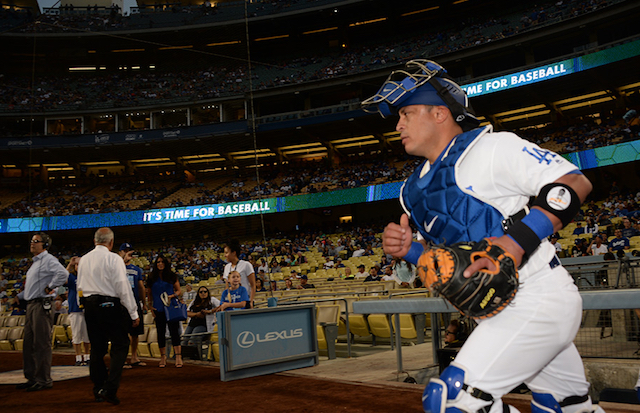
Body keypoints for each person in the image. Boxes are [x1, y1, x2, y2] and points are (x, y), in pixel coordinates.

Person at [364, 59, 602, 413]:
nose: (398, 124)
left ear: (441, 113)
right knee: (565, 407)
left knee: (451, 401)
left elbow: (574, 183)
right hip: (494, 312)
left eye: (408, 113)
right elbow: (448, 258)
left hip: (537, 299)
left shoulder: (492, 149)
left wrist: (516, 242)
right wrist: (410, 251)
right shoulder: (410, 191)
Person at [77, 228, 139, 405]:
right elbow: (122, 286)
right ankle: (110, 389)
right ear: (111, 243)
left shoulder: (84, 260)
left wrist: (84, 308)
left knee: (97, 348)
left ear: (94, 240)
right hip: (109, 305)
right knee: (120, 345)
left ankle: (98, 389)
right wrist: (133, 312)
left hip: (89, 305)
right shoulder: (114, 258)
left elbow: (79, 286)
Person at [16, 232, 68, 392]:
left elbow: (63, 274)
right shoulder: (36, 263)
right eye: (32, 241)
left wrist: (50, 287)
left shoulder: (48, 260)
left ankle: (44, 379)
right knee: (29, 343)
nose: (32, 243)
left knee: (41, 343)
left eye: (36, 241)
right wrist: (21, 296)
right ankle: (32, 378)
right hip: (31, 304)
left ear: (45, 245)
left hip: (41, 304)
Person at [147, 255, 183, 368]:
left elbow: (179, 290)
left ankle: (178, 356)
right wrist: (150, 306)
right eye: (158, 262)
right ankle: (163, 357)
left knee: (174, 332)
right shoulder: (151, 277)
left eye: (162, 262)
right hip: (158, 308)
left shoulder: (172, 276)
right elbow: (149, 294)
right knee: (160, 333)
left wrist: (172, 296)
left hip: (171, 307)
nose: (160, 264)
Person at [117, 243, 147, 368]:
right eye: (125, 251)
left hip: (134, 302)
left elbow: (140, 287)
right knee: (122, 332)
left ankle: (134, 356)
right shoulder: (117, 267)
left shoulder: (136, 269)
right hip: (120, 304)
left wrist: (144, 303)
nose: (127, 253)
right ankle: (122, 358)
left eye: (129, 251)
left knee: (135, 332)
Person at [181, 286, 219, 359]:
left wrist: (209, 311)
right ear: (198, 293)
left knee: (192, 341)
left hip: (203, 325)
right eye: (201, 292)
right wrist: (196, 314)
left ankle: (194, 358)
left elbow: (221, 306)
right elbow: (187, 313)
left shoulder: (212, 300)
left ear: (208, 292)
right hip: (192, 323)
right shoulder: (194, 301)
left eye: (205, 291)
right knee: (184, 341)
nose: (203, 293)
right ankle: (184, 358)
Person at [65, 256, 91, 366]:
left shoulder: (88, 277)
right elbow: (62, 276)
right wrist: (70, 264)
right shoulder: (72, 278)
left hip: (87, 309)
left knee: (87, 335)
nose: (78, 267)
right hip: (75, 310)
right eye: (77, 265)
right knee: (76, 335)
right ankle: (78, 357)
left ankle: (87, 356)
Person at [222, 240, 255, 309]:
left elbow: (253, 285)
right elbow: (227, 287)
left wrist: (251, 302)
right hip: (232, 302)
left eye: (227, 253)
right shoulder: (227, 267)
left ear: (234, 253)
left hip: (244, 300)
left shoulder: (246, 265)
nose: (225, 255)